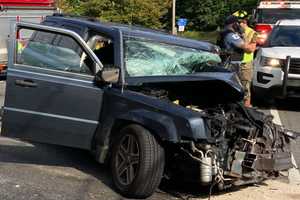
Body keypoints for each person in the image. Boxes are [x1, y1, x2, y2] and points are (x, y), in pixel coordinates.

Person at [217, 14, 256, 107]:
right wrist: (244, 35)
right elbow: (248, 49)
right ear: (234, 24)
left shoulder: (223, 33)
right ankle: (245, 110)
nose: (239, 25)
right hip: (232, 66)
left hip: (227, 65)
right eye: (237, 23)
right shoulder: (231, 35)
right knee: (240, 90)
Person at [233, 10, 257, 107]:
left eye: (237, 22)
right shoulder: (232, 31)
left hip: (245, 64)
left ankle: (247, 109)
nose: (235, 24)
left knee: (245, 88)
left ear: (244, 22)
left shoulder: (252, 33)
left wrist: (242, 36)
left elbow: (251, 49)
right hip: (233, 63)